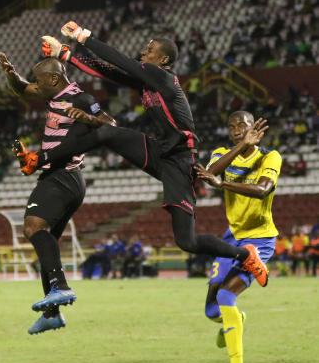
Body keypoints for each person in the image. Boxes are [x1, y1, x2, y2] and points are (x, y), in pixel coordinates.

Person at [17, 24, 269, 287]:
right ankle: (41, 159)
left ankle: (245, 254)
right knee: (106, 131)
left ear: (164, 60)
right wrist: (65, 55)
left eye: (149, 51)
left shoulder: (163, 77)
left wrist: (84, 37)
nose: (143, 53)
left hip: (180, 160)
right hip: (159, 150)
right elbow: (107, 71)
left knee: (187, 242)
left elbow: (122, 62)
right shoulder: (147, 79)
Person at [0, 53, 114, 334]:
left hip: (63, 176)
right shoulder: (52, 93)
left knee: (33, 227)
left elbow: (111, 125)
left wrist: (87, 118)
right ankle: (51, 313)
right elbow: (22, 88)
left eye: (40, 81)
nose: (36, 86)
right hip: (65, 179)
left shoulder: (81, 99)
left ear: (54, 78)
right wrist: (12, 75)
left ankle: (60, 288)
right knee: (45, 242)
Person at [195, 110, 282, 363]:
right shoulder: (222, 152)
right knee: (211, 310)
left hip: (260, 239)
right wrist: (241, 146)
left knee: (226, 297)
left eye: (241, 125)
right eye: (231, 126)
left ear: (253, 126)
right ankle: (236, 320)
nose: (235, 129)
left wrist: (225, 185)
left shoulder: (270, 156)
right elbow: (209, 173)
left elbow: (264, 189)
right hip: (232, 236)